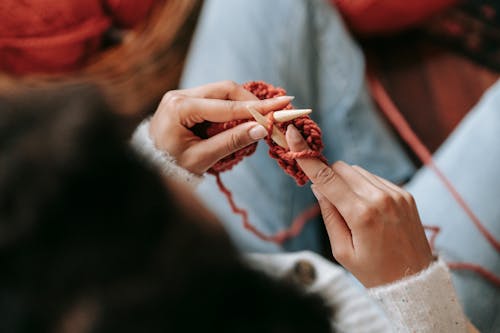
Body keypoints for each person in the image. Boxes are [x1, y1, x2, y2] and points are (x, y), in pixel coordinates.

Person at [172, 0, 500, 331]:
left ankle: (380, 194)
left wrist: (160, 159)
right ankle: (388, 210)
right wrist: (417, 293)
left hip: (223, 271)